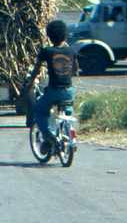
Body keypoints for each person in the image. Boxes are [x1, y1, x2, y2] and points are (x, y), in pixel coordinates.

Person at [24, 20, 78, 153]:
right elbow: (75, 69)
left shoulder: (46, 51)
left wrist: (30, 83)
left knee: (39, 111)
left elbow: (36, 69)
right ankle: (68, 130)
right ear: (65, 36)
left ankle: (50, 137)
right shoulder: (71, 50)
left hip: (54, 91)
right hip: (69, 91)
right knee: (67, 109)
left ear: (49, 36)